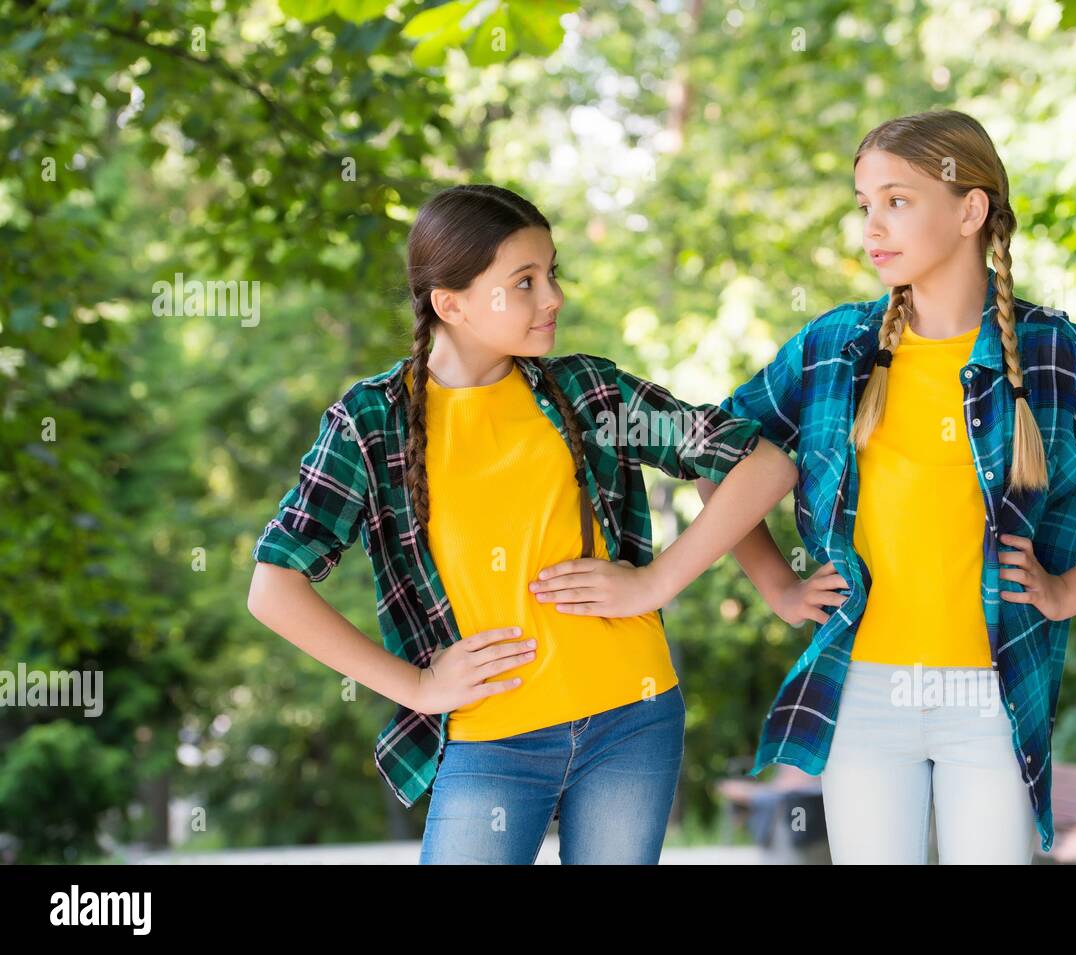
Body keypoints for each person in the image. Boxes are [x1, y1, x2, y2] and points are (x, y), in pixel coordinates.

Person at [698, 109, 1076, 863]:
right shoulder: (832, 348)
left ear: (970, 209)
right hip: (862, 693)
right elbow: (716, 454)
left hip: (992, 695)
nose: (871, 227)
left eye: (897, 200)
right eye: (864, 205)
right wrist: (775, 586)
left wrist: (1075, 588)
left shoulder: (1056, 354)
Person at [247, 183, 797, 864]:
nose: (554, 297)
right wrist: (416, 686)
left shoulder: (590, 392)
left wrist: (654, 583)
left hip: (633, 718)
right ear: (451, 304)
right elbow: (273, 586)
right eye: (525, 281)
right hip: (491, 740)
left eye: (552, 273)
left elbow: (765, 465)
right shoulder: (370, 422)